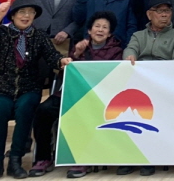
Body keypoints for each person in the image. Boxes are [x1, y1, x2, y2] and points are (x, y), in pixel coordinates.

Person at [0, 0, 71, 181]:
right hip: (1, 87)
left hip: (28, 88)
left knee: (26, 109)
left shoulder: (39, 36)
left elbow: (52, 55)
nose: (26, 16)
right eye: (22, 12)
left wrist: (61, 61)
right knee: (0, 109)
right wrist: (0, 15)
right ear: (13, 15)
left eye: (31, 12)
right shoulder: (2, 33)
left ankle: (16, 160)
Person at [30, 12, 123, 179]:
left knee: (83, 113)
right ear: (89, 30)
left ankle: (81, 159)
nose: (100, 30)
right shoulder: (79, 47)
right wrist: (76, 55)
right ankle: (43, 158)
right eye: (97, 26)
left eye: (104, 28)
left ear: (110, 33)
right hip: (70, 94)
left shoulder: (116, 51)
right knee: (43, 111)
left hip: (98, 98)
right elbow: (63, 75)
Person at [116, 0, 174, 177]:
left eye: (167, 11)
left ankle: (149, 158)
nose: (164, 15)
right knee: (128, 114)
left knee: (155, 113)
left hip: (165, 85)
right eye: (160, 11)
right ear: (149, 14)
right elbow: (130, 49)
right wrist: (130, 56)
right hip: (139, 84)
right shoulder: (138, 35)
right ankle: (129, 157)